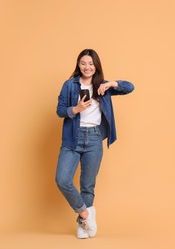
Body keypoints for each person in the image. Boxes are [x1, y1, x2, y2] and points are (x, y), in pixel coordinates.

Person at [55, 49, 134, 239]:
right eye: (83, 63)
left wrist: (112, 84)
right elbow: (59, 110)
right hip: (72, 138)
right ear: (78, 64)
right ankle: (86, 214)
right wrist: (76, 108)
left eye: (91, 63)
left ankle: (83, 226)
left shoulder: (103, 86)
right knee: (62, 180)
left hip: (94, 138)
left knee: (87, 186)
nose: (87, 67)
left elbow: (130, 87)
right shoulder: (70, 85)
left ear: (96, 65)